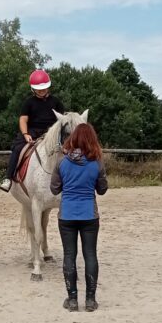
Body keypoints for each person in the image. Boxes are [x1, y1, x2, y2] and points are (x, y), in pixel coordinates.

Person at [50, 122, 108, 312]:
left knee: (69, 255)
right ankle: (90, 300)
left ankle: (72, 299)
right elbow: (102, 190)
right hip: (89, 214)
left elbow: (54, 188)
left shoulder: (62, 162)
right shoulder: (97, 162)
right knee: (90, 255)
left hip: (66, 214)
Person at [0, 69, 65, 192]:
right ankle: (8, 178)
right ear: (33, 89)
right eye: (39, 89)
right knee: (18, 148)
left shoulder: (56, 102)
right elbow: (23, 120)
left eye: (44, 88)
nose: (42, 90)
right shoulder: (29, 103)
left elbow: (62, 119)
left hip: (52, 133)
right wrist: (25, 134)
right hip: (32, 133)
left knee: (67, 148)